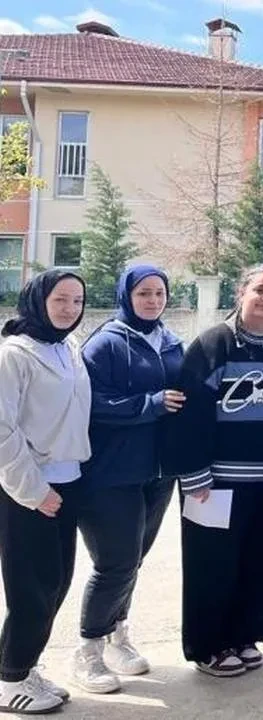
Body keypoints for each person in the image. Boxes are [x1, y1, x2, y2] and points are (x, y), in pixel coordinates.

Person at [165, 264, 263, 678]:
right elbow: (187, 413)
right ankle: (208, 647)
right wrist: (194, 474)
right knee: (212, 566)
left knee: (261, 565)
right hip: (216, 482)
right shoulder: (213, 343)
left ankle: (244, 637)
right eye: (260, 290)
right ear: (241, 293)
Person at [74, 265, 185, 694]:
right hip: (111, 472)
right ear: (126, 296)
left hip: (158, 473)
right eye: (143, 293)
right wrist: (149, 405)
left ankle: (118, 636)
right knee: (115, 563)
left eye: (159, 293)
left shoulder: (171, 341)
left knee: (133, 560)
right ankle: (87, 650)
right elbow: (90, 403)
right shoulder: (104, 343)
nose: (153, 301)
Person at [0, 271, 90, 714]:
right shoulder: (14, 354)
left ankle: (22, 665)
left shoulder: (68, 347)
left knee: (56, 582)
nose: (70, 309)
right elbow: (2, 429)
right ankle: (9, 679)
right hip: (29, 487)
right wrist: (35, 490)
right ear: (38, 300)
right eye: (60, 299)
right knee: (31, 588)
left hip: (68, 479)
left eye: (77, 301)